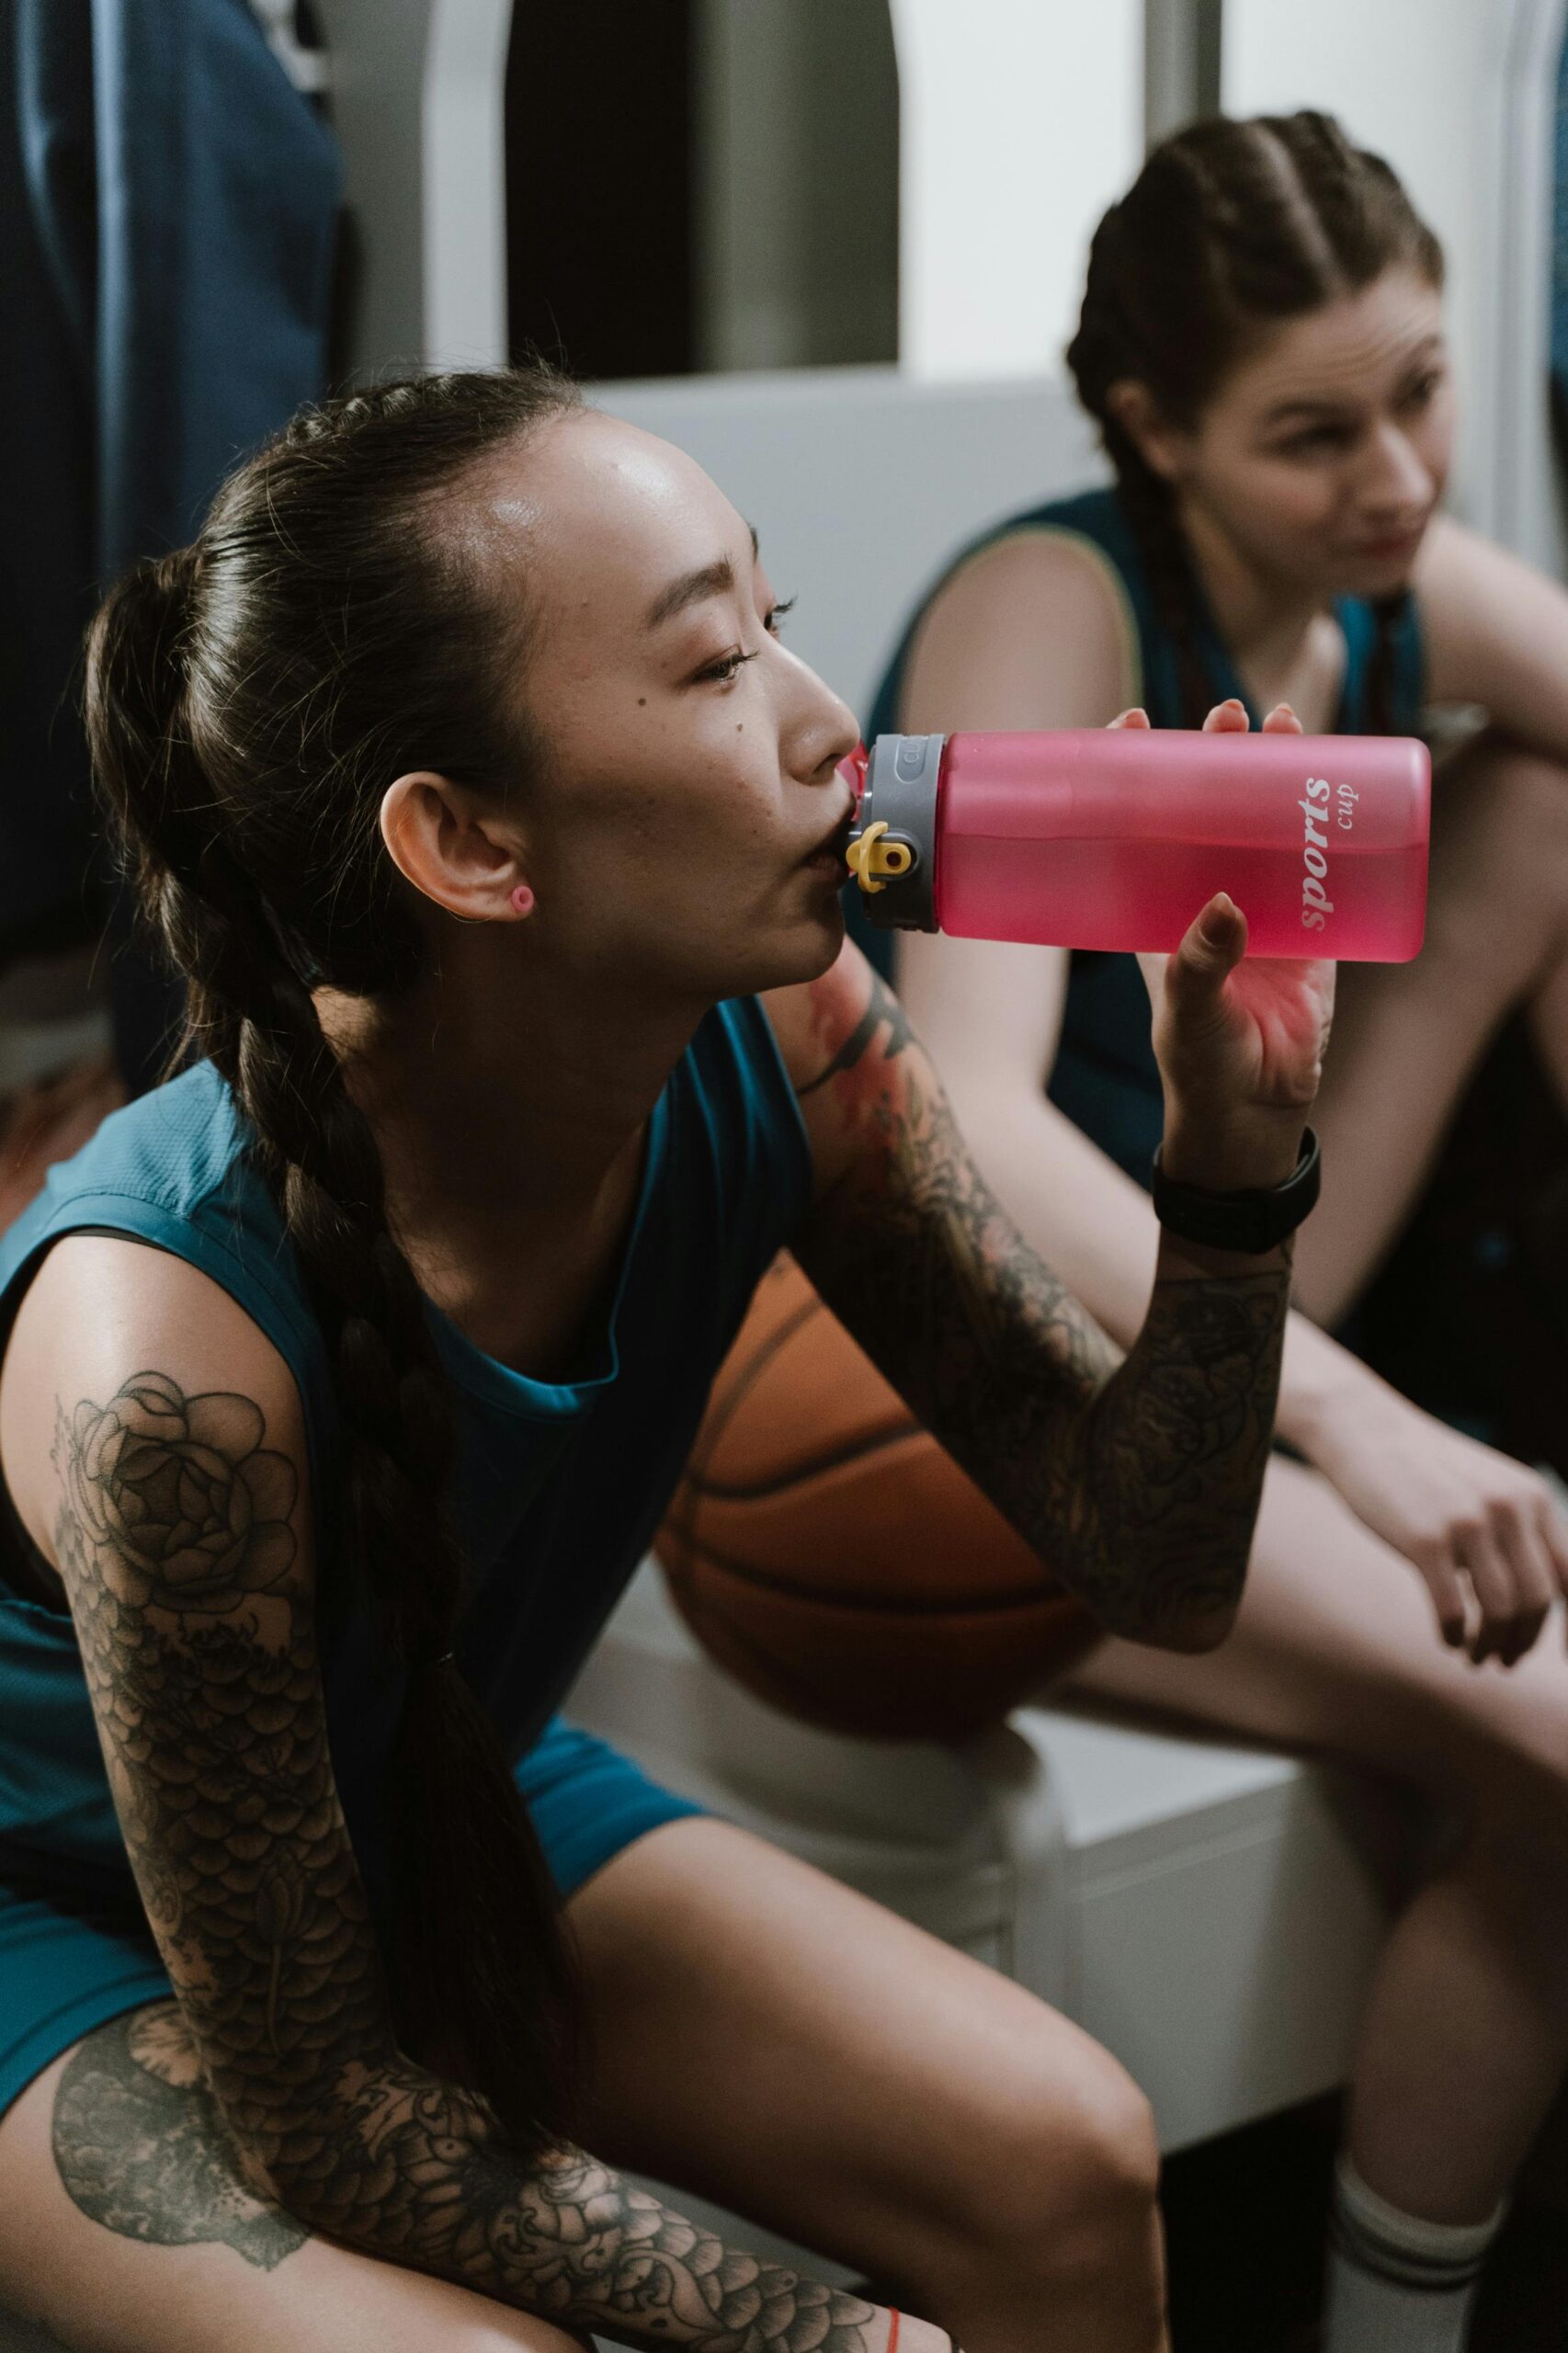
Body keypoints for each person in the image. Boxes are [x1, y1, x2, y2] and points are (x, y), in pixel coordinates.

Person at [0, 366, 1327, 2353]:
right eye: (714, 668)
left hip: (428, 1777)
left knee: (1061, 2153)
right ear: (466, 840)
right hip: (48, 1901)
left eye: (775, 625)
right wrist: (822, 2334)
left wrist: (1227, 1180)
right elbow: (323, 2100)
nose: (827, 726)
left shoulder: (791, 1040)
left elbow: (1159, 1564)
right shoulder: (163, 1360)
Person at [868, 109, 1568, 2353]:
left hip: (1272, 1259)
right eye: (1310, 430)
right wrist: (1362, 1437)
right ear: (1154, 425)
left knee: (1542, 804)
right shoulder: (1050, 602)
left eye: (1423, 389)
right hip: (1050, 1376)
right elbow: (959, 1112)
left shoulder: (1380, 571)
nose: (1394, 473)